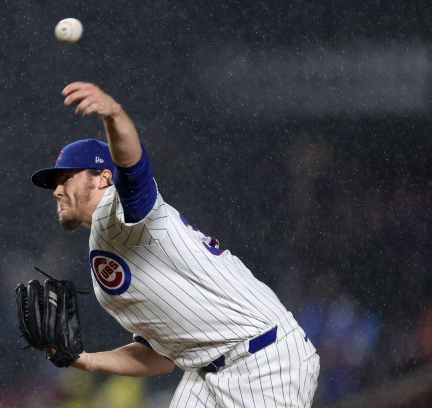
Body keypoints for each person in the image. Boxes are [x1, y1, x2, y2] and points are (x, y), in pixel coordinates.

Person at [29, 82, 320, 407]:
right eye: (55, 183)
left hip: (265, 362)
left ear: (102, 178)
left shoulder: (117, 209)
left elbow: (133, 168)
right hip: (205, 371)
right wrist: (83, 359)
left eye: (66, 178)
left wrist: (114, 114)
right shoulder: (110, 239)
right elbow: (159, 355)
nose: (56, 191)